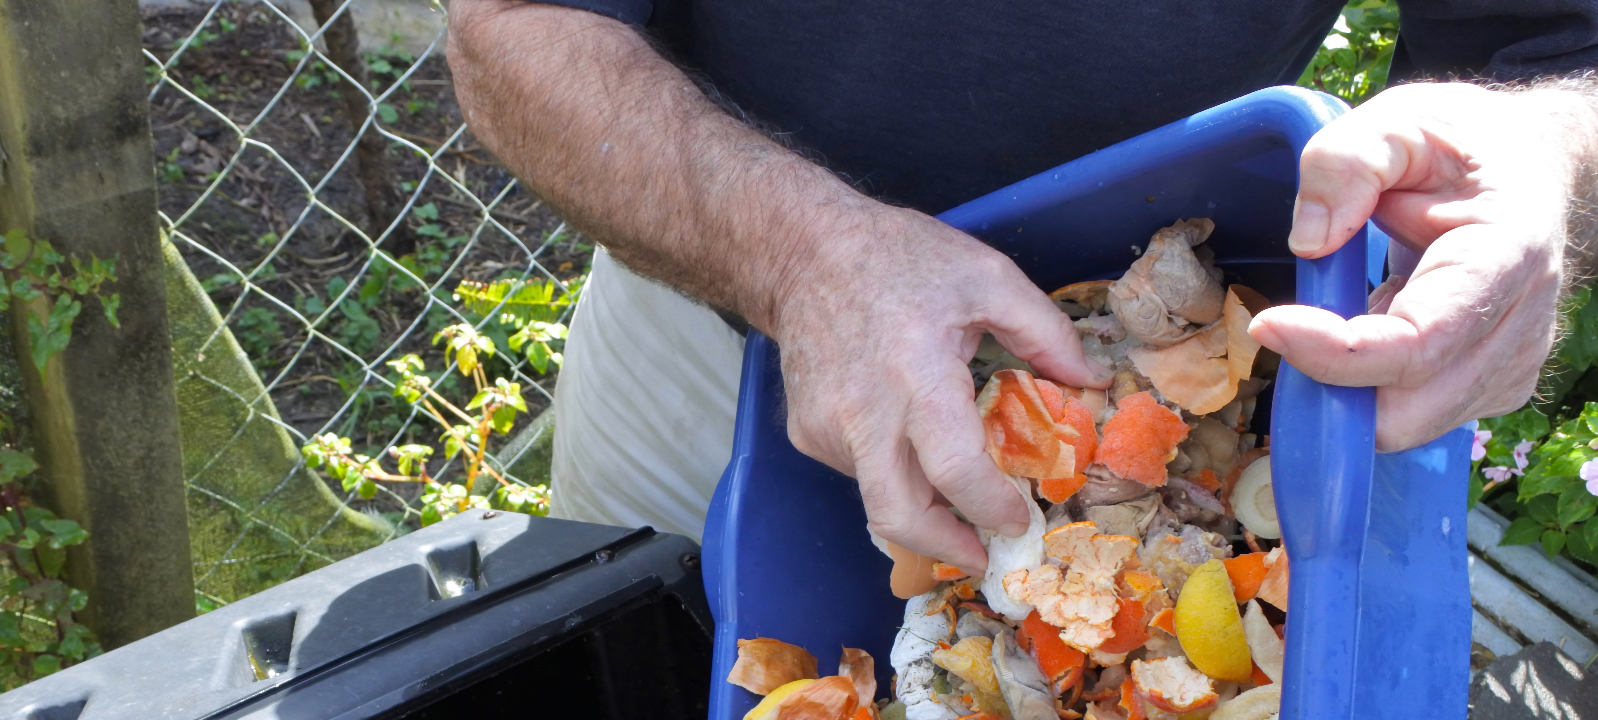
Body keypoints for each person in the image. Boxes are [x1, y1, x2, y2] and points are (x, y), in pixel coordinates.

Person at [445, 1, 1598, 573]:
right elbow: (516, 27)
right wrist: (803, 260)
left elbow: (1556, 54)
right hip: (715, 334)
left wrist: (1537, 152)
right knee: (629, 689)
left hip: (1172, 389)